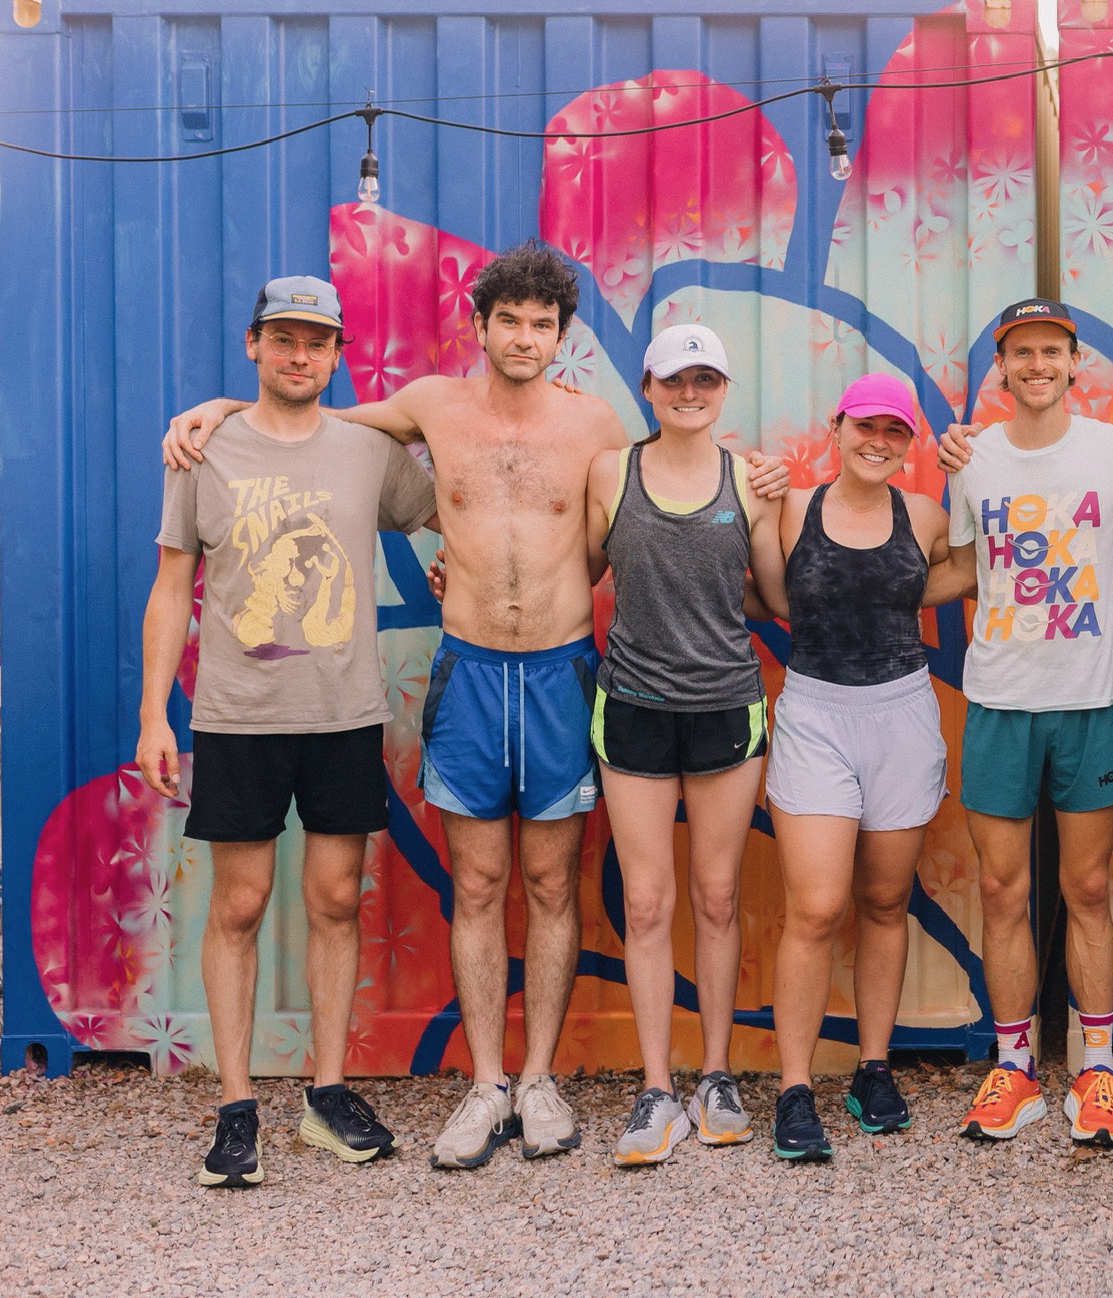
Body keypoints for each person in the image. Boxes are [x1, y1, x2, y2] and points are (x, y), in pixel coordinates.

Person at [162, 244, 673, 1169]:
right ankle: (485, 1085)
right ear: (478, 326)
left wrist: (757, 480)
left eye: (542, 324)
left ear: (562, 336)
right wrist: (224, 409)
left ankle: (541, 1082)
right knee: (477, 886)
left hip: (561, 670)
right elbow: (315, 415)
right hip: (469, 671)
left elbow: (646, 506)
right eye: (508, 320)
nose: (524, 338)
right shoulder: (433, 406)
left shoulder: (597, 421)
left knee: (553, 885)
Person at [137, 277, 437, 1187]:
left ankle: (326, 1093)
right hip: (238, 716)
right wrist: (155, 713)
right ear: (253, 344)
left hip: (345, 712)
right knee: (238, 903)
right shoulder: (203, 449)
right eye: (284, 338)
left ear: (338, 352)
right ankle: (236, 1108)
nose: (300, 354)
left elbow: (450, 506)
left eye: (318, 340)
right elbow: (168, 587)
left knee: (337, 900)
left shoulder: (366, 450)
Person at [934, 299, 1113, 1146]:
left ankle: (1096, 1068)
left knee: (1088, 888)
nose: (1036, 365)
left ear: (1075, 364)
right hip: (996, 697)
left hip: (1088, 699)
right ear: (1002, 366)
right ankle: (1016, 1067)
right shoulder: (971, 458)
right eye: (1020, 352)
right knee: (1002, 890)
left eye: (1051, 351)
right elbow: (958, 568)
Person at [586, 324, 787, 1167]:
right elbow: (577, 573)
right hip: (631, 707)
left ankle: (716, 1075)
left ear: (724, 387)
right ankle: (656, 1089)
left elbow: (776, 597)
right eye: (676, 379)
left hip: (724, 712)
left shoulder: (751, 479)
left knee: (714, 897)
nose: (690, 392)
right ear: (650, 385)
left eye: (706, 378)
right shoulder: (610, 471)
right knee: (644, 904)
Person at [765, 372, 967, 1162]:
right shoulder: (792, 507)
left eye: (896, 432)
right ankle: (793, 1086)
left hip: (902, 715)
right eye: (866, 427)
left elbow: (975, 566)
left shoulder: (924, 516)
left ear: (909, 443)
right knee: (815, 908)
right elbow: (759, 592)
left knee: (885, 901)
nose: (879, 442)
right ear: (838, 424)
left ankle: (874, 1068)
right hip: (815, 712)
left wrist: (976, 471)